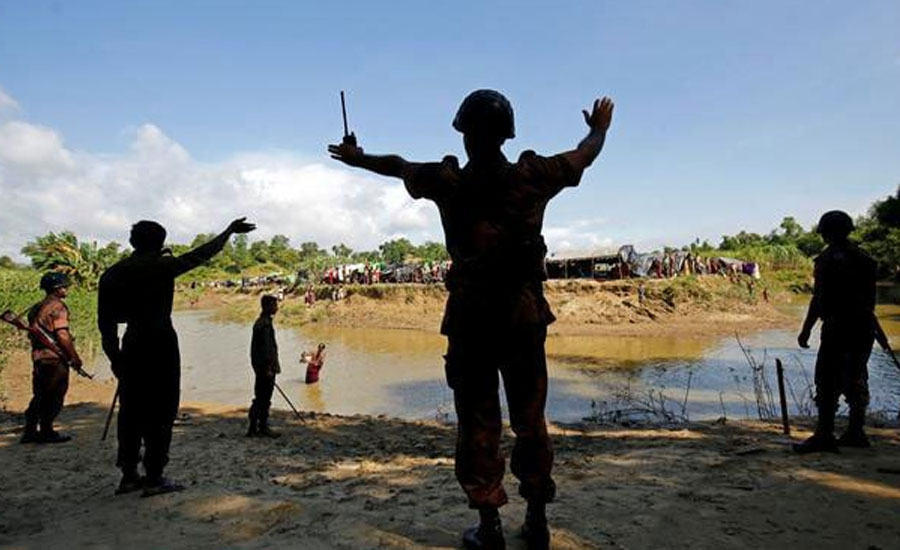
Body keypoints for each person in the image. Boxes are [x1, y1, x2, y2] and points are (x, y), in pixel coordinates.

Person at [329, 90, 614, 550]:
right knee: (531, 421)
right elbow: (585, 154)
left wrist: (357, 158)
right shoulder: (533, 177)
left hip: (472, 322)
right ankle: (536, 520)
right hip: (523, 319)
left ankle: (489, 526)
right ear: (507, 135)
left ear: (463, 134)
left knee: (478, 426)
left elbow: (397, 165)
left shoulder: (447, 182)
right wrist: (598, 128)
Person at [98, 217, 255, 496]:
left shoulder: (113, 273)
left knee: (131, 411)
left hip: (132, 343)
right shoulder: (164, 266)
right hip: (161, 342)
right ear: (160, 242)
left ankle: (129, 474)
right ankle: (154, 475)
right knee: (162, 410)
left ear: (133, 242)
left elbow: (106, 323)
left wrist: (115, 358)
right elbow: (202, 253)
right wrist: (228, 231)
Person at [795, 210, 877, 453]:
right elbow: (869, 300)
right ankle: (856, 432)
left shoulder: (828, 260)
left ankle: (825, 435)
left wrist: (806, 329)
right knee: (857, 376)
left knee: (827, 380)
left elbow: (819, 298)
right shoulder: (864, 258)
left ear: (828, 233)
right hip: (864, 327)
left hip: (838, 327)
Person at [20, 272, 83, 444]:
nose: (66, 289)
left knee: (40, 394)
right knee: (55, 395)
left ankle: (30, 431)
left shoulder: (37, 307)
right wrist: (74, 357)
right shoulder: (58, 307)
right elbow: (62, 335)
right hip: (54, 358)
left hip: (39, 357)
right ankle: (46, 431)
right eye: (64, 286)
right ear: (57, 289)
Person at [248, 295, 281, 438]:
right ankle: (262, 427)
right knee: (264, 398)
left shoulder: (261, 322)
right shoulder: (264, 324)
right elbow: (266, 349)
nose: (277, 308)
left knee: (260, 397)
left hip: (260, 366)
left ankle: (254, 427)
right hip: (265, 367)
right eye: (274, 305)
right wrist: (268, 368)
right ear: (267, 306)